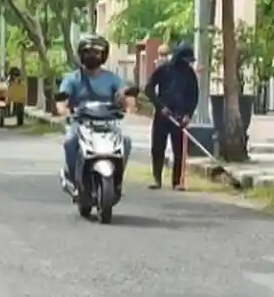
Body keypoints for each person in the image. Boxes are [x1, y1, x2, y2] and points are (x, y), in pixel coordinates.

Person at [56, 34, 132, 186]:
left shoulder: (113, 79)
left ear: (103, 56)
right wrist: (64, 111)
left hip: (108, 123)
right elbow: (62, 101)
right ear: (82, 55)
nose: (92, 56)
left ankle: (116, 178)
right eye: (88, 52)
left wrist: (125, 101)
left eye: (96, 53)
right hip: (81, 122)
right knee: (70, 142)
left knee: (125, 142)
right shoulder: (72, 79)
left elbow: (125, 96)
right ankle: (73, 178)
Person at [144, 42, 198, 190]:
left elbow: (194, 96)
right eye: (186, 60)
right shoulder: (164, 70)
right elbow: (148, 89)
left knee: (179, 151)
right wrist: (160, 106)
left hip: (180, 117)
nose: (188, 64)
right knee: (157, 148)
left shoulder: (190, 74)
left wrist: (188, 114)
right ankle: (157, 179)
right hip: (163, 115)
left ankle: (177, 182)